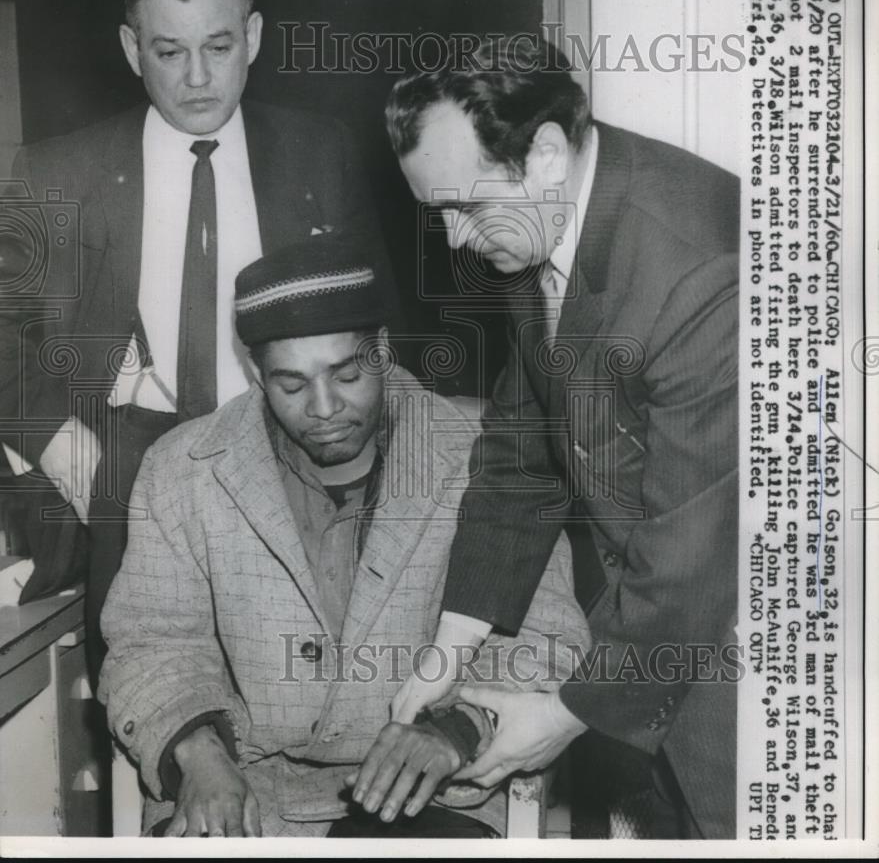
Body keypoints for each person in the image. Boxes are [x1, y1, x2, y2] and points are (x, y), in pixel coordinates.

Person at [97, 232, 590, 838]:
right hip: (248, 788)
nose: (325, 407)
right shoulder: (182, 468)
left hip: (435, 797)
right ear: (255, 372)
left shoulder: (487, 461)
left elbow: (548, 638)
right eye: (292, 384)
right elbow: (151, 642)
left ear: (382, 352)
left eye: (347, 373)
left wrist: (456, 728)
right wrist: (198, 752)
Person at [384, 36, 740, 838]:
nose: (454, 242)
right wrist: (454, 641)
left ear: (544, 153)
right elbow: (523, 442)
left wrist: (567, 711)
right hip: (660, 648)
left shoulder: (697, 271)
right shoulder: (539, 222)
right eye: (435, 213)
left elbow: (692, 557)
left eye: (464, 207)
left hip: (748, 657)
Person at [0, 0, 385, 680]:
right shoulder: (59, 170)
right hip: (128, 466)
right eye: (170, 52)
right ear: (130, 49)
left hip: (289, 458)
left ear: (255, 38)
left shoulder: (320, 153)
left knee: (301, 688)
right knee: (150, 696)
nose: (198, 77)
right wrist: (54, 439)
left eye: (218, 45)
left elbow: (376, 332)